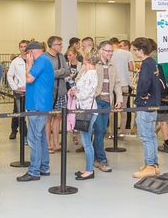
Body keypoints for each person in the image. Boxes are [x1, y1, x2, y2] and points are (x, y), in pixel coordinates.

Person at [77, 40, 122, 172]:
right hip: (95, 102)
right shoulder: (92, 64)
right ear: (101, 51)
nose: (110, 53)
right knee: (100, 129)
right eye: (108, 51)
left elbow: (117, 83)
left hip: (107, 102)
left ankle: (96, 158)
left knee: (100, 131)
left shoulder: (113, 65)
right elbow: (79, 78)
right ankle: (102, 160)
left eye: (111, 51)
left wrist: (119, 98)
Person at [16, 41, 54, 182]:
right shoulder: (45, 60)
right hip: (40, 104)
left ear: (30, 53)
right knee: (41, 137)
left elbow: (29, 78)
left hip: (38, 105)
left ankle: (34, 171)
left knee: (34, 138)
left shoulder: (40, 61)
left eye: (26, 54)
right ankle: (44, 167)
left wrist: (29, 64)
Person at [131, 38, 161, 178]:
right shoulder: (153, 63)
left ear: (141, 50)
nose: (134, 52)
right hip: (153, 104)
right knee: (152, 135)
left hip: (145, 105)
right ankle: (153, 164)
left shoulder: (146, 64)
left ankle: (150, 165)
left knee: (146, 137)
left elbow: (144, 82)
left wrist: (141, 94)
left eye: (135, 50)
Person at [70, 48, 100, 180]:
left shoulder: (92, 74)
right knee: (86, 141)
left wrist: (75, 93)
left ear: (87, 60)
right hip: (84, 109)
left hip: (88, 111)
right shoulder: (88, 73)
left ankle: (89, 170)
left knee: (87, 142)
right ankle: (88, 167)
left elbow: (86, 94)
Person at [45, 36, 70, 153]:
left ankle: (56, 143)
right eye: (58, 44)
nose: (61, 46)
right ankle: (48, 144)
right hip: (49, 92)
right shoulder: (44, 57)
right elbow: (48, 74)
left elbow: (68, 71)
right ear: (51, 45)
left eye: (61, 43)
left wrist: (58, 73)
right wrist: (60, 72)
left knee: (58, 118)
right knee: (48, 118)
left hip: (61, 91)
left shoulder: (61, 56)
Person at [111, 39, 134, 137]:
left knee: (112, 110)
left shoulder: (110, 54)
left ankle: (112, 133)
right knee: (123, 109)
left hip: (112, 85)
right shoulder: (128, 53)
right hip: (124, 84)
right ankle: (122, 133)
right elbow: (132, 68)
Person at [7, 40, 29, 140]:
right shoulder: (15, 61)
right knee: (18, 112)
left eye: (25, 46)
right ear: (19, 48)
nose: (23, 48)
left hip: (31, 92)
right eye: (21, 46)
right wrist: (15, 88)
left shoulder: (33, 60)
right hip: (19, 92)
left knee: (29, 113)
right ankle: (17, 132)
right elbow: (9, 76)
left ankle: (26, 134)